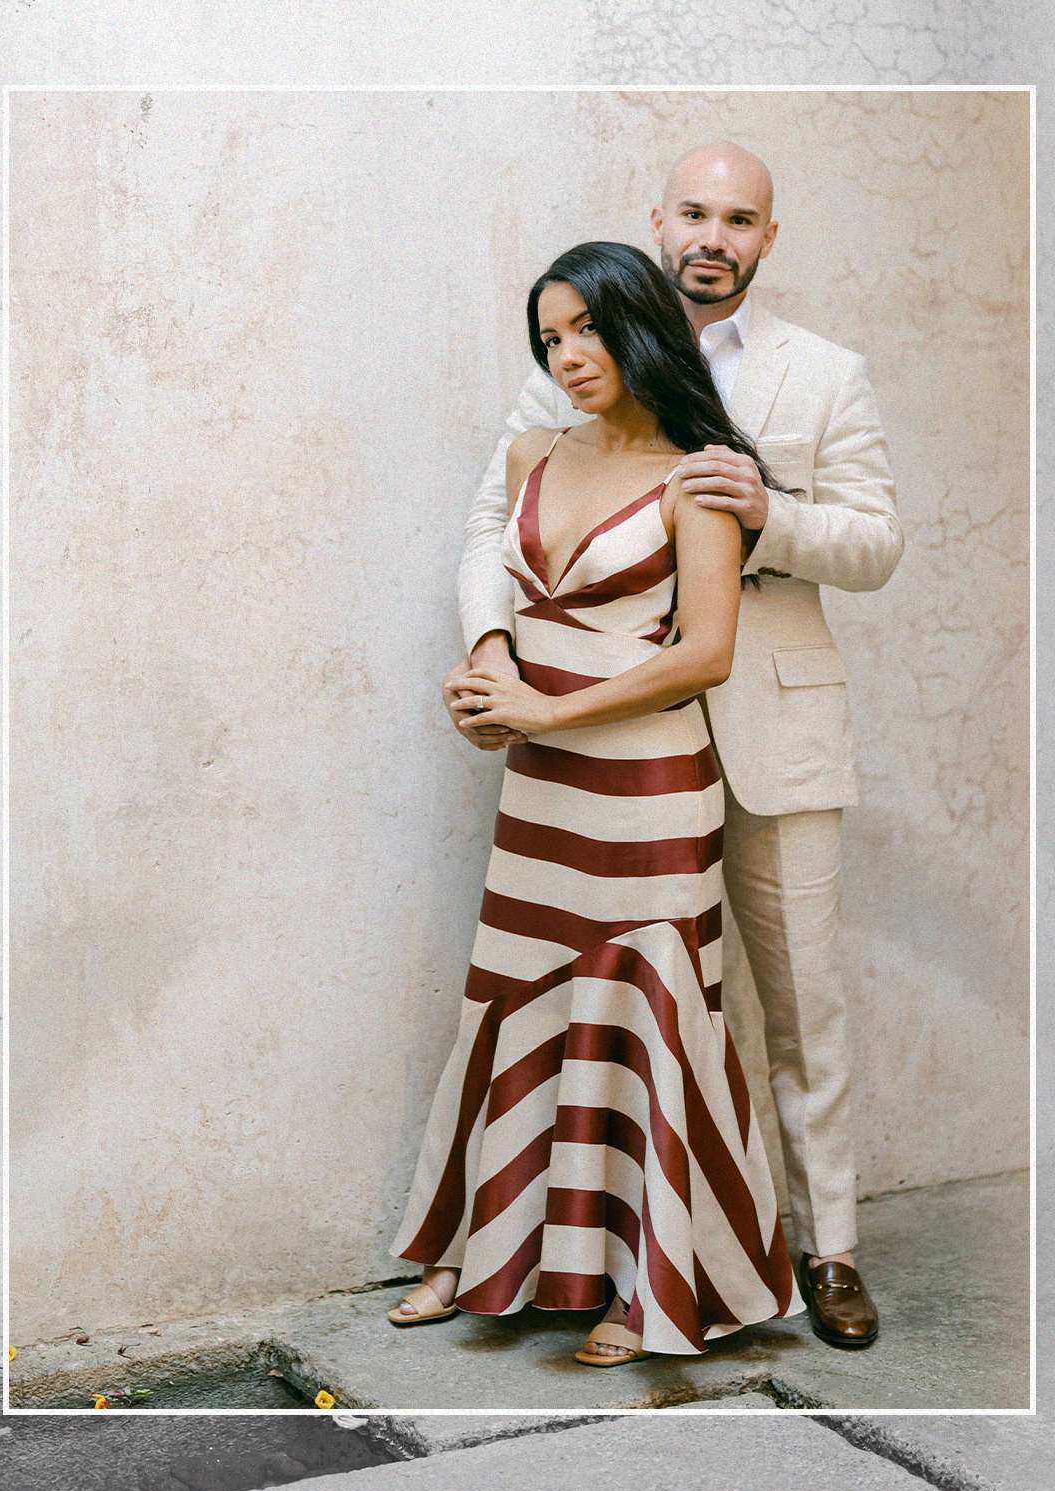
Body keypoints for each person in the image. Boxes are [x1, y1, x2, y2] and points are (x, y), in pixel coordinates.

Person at [443, 142, 903, 1350]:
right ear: (660, 219)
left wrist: (772, 512)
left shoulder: (824, 375)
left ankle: (830, 1252)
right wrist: (491, 648)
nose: (712, 233)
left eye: (738, 217)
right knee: (652, 1007)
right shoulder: (583, 348)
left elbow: (877, 543)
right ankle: (628, 1251)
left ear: (766, 236)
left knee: (800, 1002)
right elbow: (495, 518)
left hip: (770, 728)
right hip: (604, 744)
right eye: (693, 211)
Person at [387, 241, 805, 1365]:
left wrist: (548, 714)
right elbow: (496, 581)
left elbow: (705, 654)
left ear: (640, 326)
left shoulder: (699, 472)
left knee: (649, 1022)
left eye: (587, 329)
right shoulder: (530, 450)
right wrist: (488, 685)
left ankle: (656, 1282)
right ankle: (476, 1254)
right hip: (542, 794)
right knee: (514, 1002)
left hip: (651, 794)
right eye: (551, 337)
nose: (569, 355)